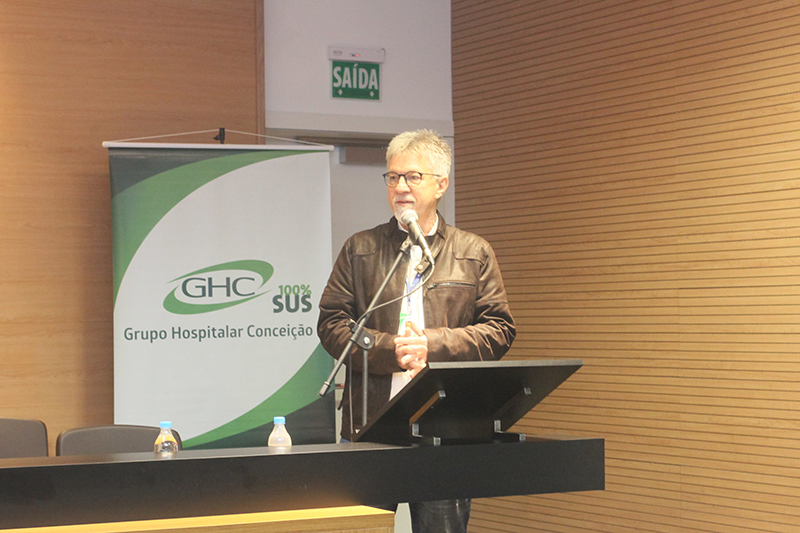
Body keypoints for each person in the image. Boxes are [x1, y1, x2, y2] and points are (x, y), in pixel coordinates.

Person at [317, 129, 516, 533]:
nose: (400, 187)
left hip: (445, 425)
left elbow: (499, 329)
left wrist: (432, 345)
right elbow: (332, 322)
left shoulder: (472, 252)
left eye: (412, 177)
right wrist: (389, 350)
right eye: (393, 177)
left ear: (441, 184)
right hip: (370, 425)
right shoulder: (360, 249)